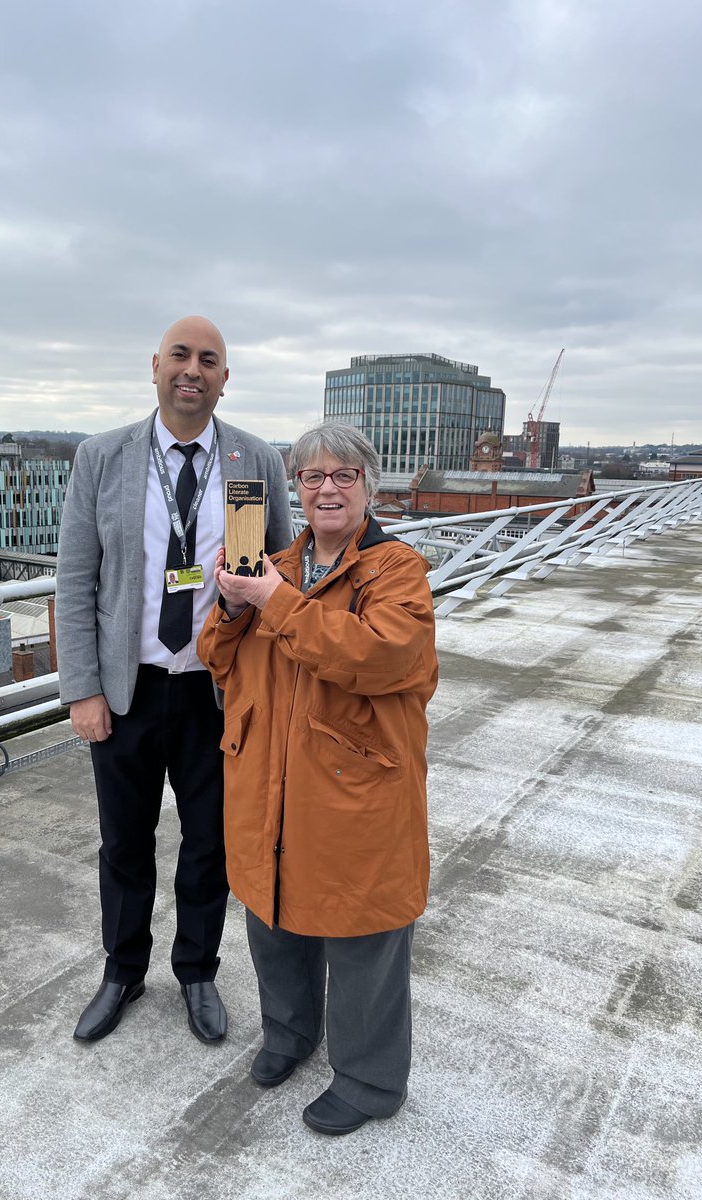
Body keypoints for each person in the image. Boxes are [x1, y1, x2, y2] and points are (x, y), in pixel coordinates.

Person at [56, 315, 292, 1046]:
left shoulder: (254, 459)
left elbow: (279, 569)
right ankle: (123, 972)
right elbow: (75, 579)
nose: (193, 370)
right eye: (181, 357)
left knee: (208, 843)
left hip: (217, 692)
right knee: (123, 841)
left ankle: (197, 972)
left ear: (226, 377)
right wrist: (83, 689)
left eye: (209, 360)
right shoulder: (103, 457)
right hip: (127, 690)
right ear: (155, 366)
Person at [197, 422, 438, 1134]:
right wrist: (234, 605)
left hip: (353, 782)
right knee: (274, 913)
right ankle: (289, 1033)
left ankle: (370, 1080)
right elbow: (217, 658)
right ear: (294, 489)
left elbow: (380, 657)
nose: (327, 488)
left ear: (370, 485)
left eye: (344, 475)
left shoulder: (396, 570)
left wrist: (273, 601)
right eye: (311, 477)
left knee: (361, 930)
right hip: (268, 774)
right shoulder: (275, 563)